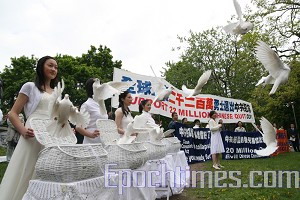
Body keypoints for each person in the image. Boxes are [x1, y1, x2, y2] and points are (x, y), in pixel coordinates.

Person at [0, 56, 58, 200]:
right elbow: (13, 113)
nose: (53, 69)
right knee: (26, 169)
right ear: (40, 66)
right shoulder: (30, 86)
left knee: (47, 171)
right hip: (32, 133)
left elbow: (56, 116)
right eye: (50, 65)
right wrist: (23, 130)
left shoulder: (57, 91)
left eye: (56, 67)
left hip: (51, 134)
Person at [75, 78, 108, 144]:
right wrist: (91, 134)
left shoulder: (101, 103)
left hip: (104, 142)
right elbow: (78, 127)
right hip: (91, 143)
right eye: (99, 86)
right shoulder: (86, 105)